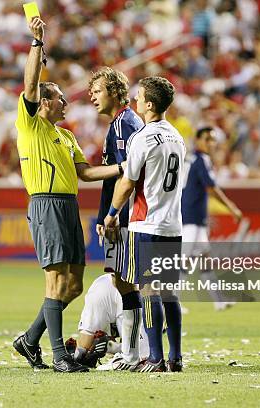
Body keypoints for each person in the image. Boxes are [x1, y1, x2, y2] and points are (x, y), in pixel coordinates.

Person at [12, 17, 122, 373]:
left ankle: (29, 340)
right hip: (46, 203)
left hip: (69, 205)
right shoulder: (30, 124)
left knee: (74, 283)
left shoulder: (66, 136)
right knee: (55, 280)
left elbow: (86, 173)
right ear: (44, 102)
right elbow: (31, 82)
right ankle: (60, 356)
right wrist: (37, 43)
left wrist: (126, 168)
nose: (67, 105)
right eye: (61, 100)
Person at [104, 76, 186, 373]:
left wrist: (112, 213)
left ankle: (155, 358)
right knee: (169, 292)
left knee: (149, 290)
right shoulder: (177, 137)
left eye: (139, 97)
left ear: (150, 105)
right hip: (173, 226)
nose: (135, 101)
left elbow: (128, 183)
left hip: (147, 224)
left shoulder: (143, 137)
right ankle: (175, 357)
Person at [88, 66, 145, 370]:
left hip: (129, 216)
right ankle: (132, 351)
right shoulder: (118, 124)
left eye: (97, 91)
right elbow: (113, 177)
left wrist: (113, 216)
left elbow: (129, 174)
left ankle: (132, 354)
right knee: (122, 280)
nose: (92, 97)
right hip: (124, 215)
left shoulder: (125, 124)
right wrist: (102, 215)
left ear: (113, 90)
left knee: (126, 282)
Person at [182, 127, 242, 310]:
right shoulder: (202, 159)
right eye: (207, 139)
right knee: (183, 261)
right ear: (198, 140)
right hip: (191, 218)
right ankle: (171, 302)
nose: (211, 143)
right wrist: (231, 207)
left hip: (192, 216)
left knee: (204, 260)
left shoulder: (191, 159)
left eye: (213, 139)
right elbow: (211, 188)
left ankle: (218, 300)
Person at [66, 273, 150, 369]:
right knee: (141, 354)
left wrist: (107, 348)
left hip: (107, 286)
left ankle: (108, 347)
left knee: (81, 355)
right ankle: (109, 347)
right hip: (136, 287)